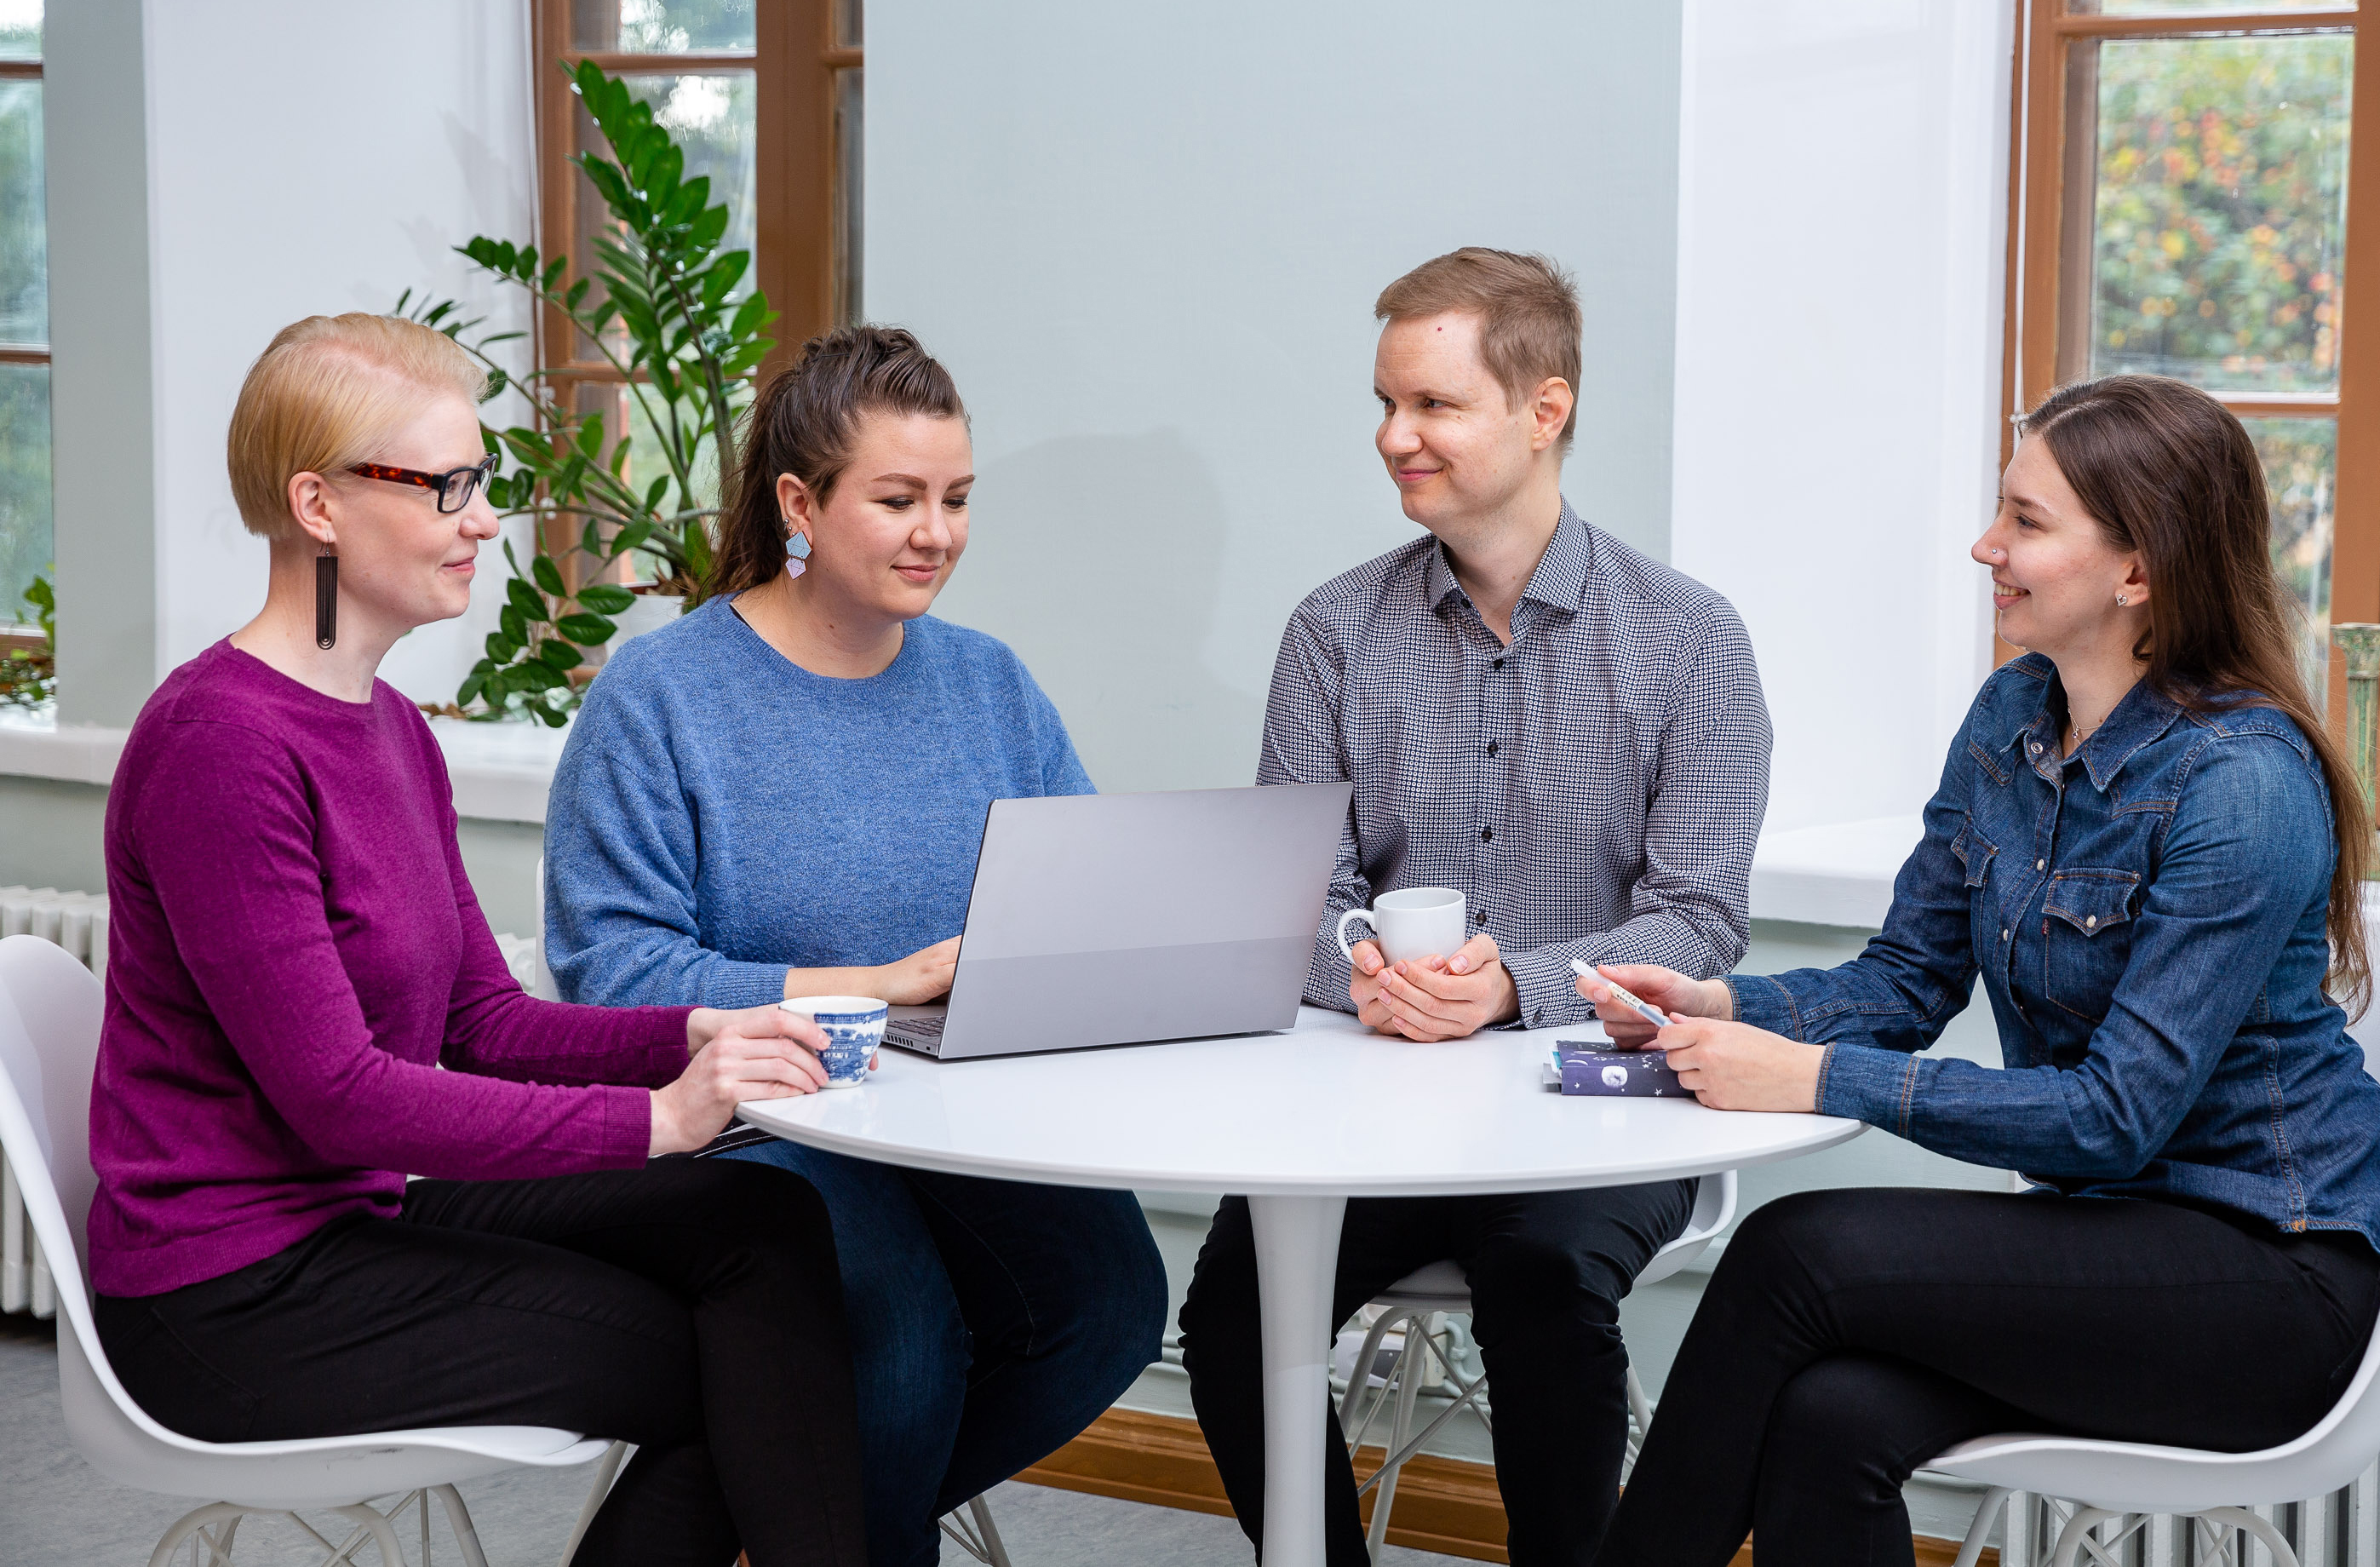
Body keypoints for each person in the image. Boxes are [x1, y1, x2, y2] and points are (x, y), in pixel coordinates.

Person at [1581, 373, 2380, 1567]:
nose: (1986, 546)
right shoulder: (2012, 717)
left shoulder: (2245, 785)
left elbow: (2117, 1116)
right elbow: (1909, 978)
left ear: (2139, 570)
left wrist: (1813, 1075)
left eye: (2026, 520)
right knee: (1831, 1417)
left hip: (2271, 1280)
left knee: (1790, 1251)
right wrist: (1722, 1005)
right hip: (2108, 1243)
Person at [88, 314, 868, 1567]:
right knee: (730, 1367)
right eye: (448, 486)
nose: (485, 521)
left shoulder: (391, 727)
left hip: (356, 1218)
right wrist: (659, 1117)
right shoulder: (221, 746)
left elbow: (483, 1024)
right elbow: (339, 1098)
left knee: (763, 1230)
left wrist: (694, 1033)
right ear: (318, 505)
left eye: (483, 482)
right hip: (227, 1295)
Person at [1177, 249, 1774, 1567]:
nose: (1397, 438)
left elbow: (1698, 918)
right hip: (1372, 1106)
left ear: (1544, 408)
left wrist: (1517, 986)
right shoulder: (1333, 631)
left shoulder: (1690, 640)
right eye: (1387, 404)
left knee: (1543, 1279)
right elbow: (1306, 894)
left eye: (1435, 405)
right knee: (1226, 1311)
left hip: (1593, 1105)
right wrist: (1365, 972)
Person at [544, 324, 1168, 1567]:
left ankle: (787, 1507)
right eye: (897, 499)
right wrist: (870, 986)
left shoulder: (989, 684)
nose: (936, 530)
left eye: (956, 498)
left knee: (1109, 1301)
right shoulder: (661, 694)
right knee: (900, 1330)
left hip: (952, 1114)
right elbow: (614, 975)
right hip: (757, 1121)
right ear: (801, 504)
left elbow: (1084, 896)